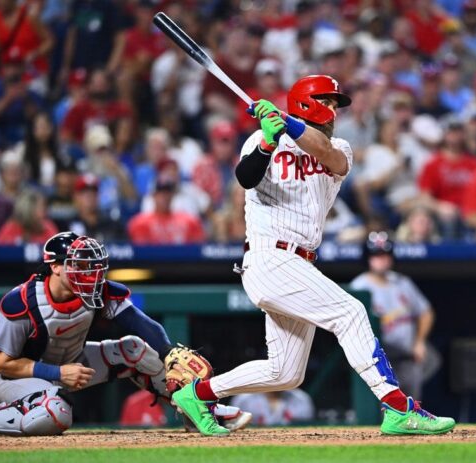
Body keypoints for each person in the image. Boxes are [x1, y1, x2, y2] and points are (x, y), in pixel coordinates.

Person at [170, 75, 455, 436]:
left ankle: (196, 395)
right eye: (328, 102)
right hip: (270, 257)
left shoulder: (340, 148)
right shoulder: (260, 139)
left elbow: (326, 154)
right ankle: (397, 406)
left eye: (336, 104)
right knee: (351, 312)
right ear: (308, 102)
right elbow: (245, 178)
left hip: (298, 262)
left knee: (285, 373)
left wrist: (287, 123)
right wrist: (268, 141)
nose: (334, 110)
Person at [0, 232, 250, 436]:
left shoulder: (97, 291)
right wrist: (56, 372)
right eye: (78, 265)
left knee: (135, 349)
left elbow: (140, 324)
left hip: (69, 364)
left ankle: (196, 410)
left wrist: (168, 352)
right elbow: (1, 362)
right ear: (55, 266)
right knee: (55, 412)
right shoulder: (23, 300)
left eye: (90, 265)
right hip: (10, 376)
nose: (89, 272)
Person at [350, 232, 440, 400]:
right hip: (380, 363)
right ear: (367, 258)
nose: (381, 260)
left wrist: (419, 341)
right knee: (384, 408)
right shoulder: (359, 287)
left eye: (385, 255)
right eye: (376, 255)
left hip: (407, 357)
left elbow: (426, 313)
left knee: (411, 403)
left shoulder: (402, 282)